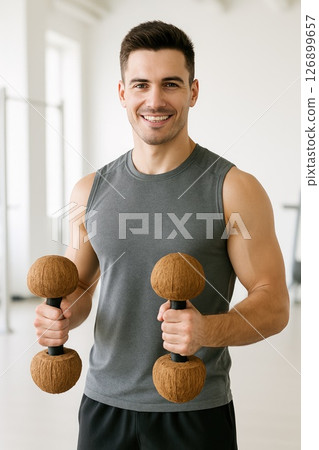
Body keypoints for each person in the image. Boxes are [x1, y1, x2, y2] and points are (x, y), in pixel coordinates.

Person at [33, 21, 289, 450]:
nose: (155, 100)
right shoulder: (89, 190)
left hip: (193, 411)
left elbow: (275, 303)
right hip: (103, 406)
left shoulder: (233, 188)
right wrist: (58, 317)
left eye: (170, 84)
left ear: (193, 91)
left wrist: (206, 330)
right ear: (122, 93)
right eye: (141, 84)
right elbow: (78, 287)